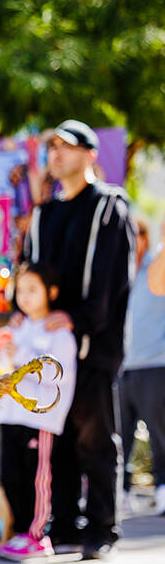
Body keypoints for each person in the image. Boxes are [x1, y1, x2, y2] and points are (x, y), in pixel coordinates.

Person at [21, 119, 136, 560]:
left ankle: (102, 529)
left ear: (90, 154)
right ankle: (64, 524)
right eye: (52, 147)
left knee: (95, 436)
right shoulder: (46, 213)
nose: (56, 155)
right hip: (50, 349)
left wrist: (80, 319)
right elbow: (32, 273)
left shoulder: (109, 207)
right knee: (58, 434)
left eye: (67, 147)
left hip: (93, 343)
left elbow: (111, 277)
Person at [0, 263, 78, 560]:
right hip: (10, 414)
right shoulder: (15, 328)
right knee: (10, 475)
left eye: (32, 290)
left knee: (37, 479)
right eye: (20, 290)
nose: (24, 297)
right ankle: (23, 532)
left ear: (51, 292)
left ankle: (38, 536)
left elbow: (57, 372)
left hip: (40, 419)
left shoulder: (60, 333)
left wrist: (21, 357)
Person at [119, 219, 165, 515]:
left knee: (161, 434)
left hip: (154, 364)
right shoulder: (121, 270)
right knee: (118, 437)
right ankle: (119, 492)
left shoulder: (156, 265)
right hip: (121, 368)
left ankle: (163, 489)